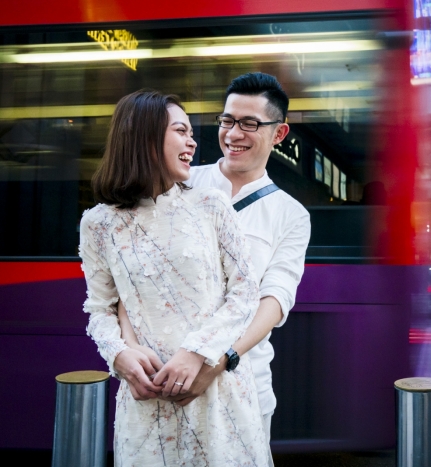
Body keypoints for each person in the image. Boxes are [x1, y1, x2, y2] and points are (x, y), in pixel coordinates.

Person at [117, 73, 311, 463]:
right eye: (227, 121)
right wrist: (127, 351)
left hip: (243, 381)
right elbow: (133, 274)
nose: (233, 133)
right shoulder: (181, 181)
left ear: (279, 133)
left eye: (249, 124)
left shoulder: (290, 214)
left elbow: (274, 299)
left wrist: (218, 359)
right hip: (160, 377)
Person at [80, 90, 268, 464]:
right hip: (145, 397)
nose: (192, 141)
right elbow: (100, 309)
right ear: (146, 138)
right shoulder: (98, 223)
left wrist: (196, 353)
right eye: (181, 131)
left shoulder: (211, 205)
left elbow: (245, 293)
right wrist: (119, 355)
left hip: (216, 392)